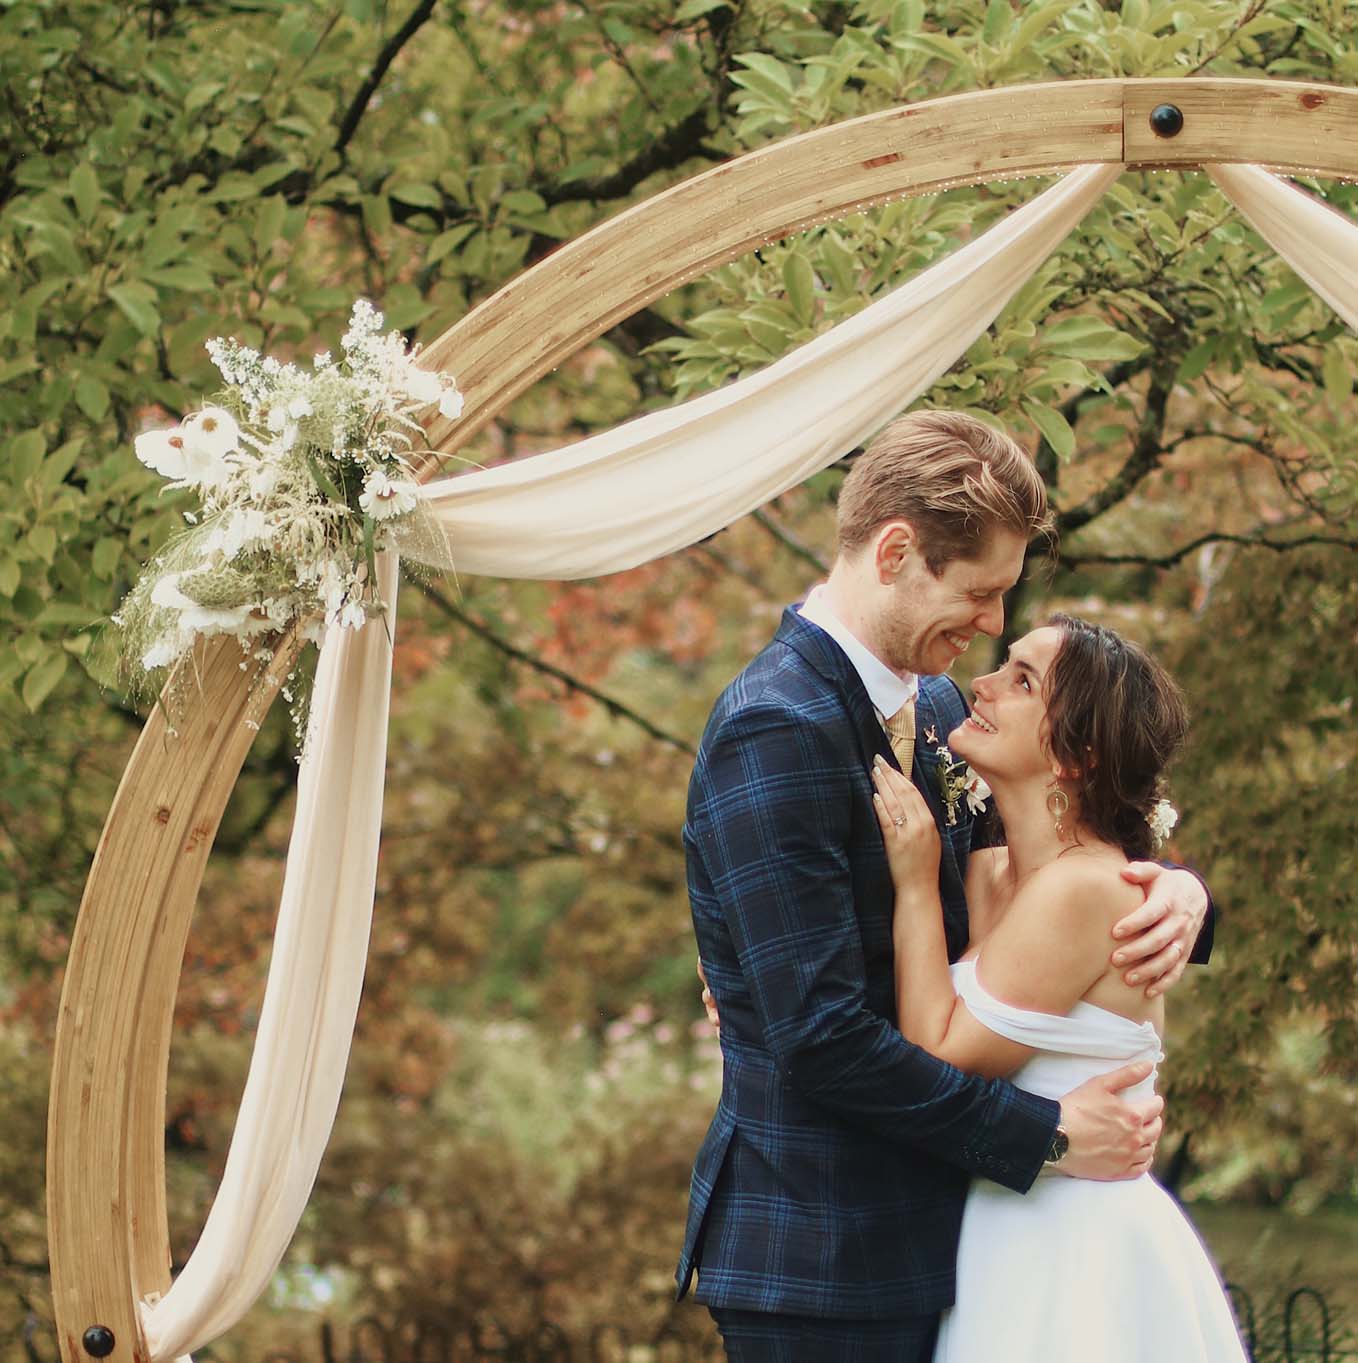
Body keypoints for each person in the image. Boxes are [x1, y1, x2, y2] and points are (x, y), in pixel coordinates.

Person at [676, 410, 1214, 1363]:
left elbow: (1046, 865)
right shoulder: (777, 724)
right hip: (825, 1256)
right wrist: (1048, 1135)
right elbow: (820, 1036)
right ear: (895, 552)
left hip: (958, 1246)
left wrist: (1176, 893)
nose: (994, 624)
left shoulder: (934, 708)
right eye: (980, 591)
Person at [870, 615, 1245, 1362]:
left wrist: (914, 883)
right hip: (1003, 1231)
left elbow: (938, 1054)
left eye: (1022, 680)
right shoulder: (989, 872)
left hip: (1077, 1250)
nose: (981, 684)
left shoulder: (1083, 889)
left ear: (1079, 754)